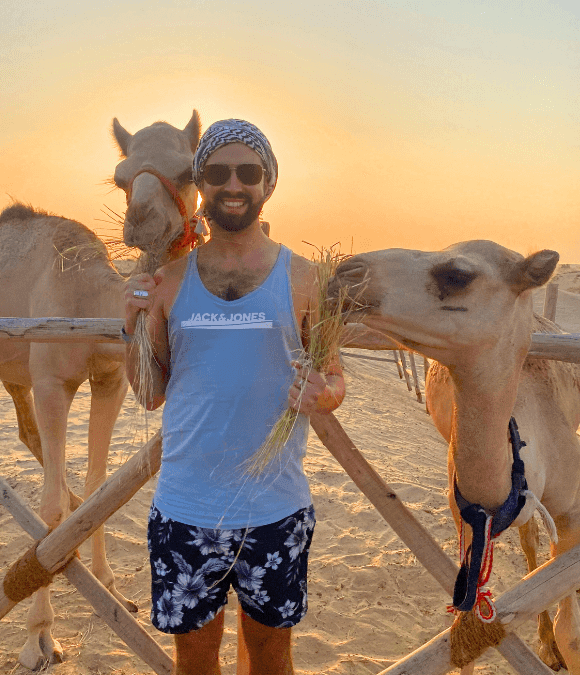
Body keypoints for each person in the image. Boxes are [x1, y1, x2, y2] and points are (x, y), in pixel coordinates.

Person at [124, 118, 345, 675]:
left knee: (272, 659)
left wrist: (324, 394)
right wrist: (130, 326)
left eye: (248, 172)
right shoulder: (170, 282)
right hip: (184, 510)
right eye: (217, 173)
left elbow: (335, 380)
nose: (233, 184)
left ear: (268, 182)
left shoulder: (305, 278)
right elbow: (150, 394)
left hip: (275, 511)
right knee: (194, 660)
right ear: (200, 185)